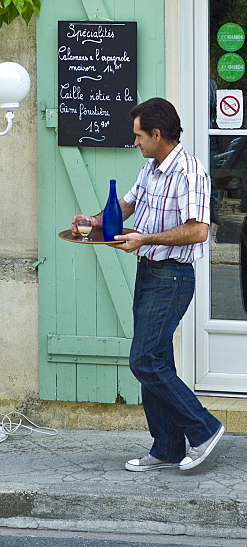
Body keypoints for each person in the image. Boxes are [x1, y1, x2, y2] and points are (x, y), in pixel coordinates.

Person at [71, 97, 224, 473]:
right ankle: (168, 446)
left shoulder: (189, 172)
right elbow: (125, 206)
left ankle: (204, 428)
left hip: (173, 277)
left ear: (157, 134)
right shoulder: (151, 169)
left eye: (139, 135)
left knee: (144, 360)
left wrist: (146, 238)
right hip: (149, 273)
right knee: (157, 358)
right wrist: (92, 220)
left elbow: (197, 230)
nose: (135, 142)